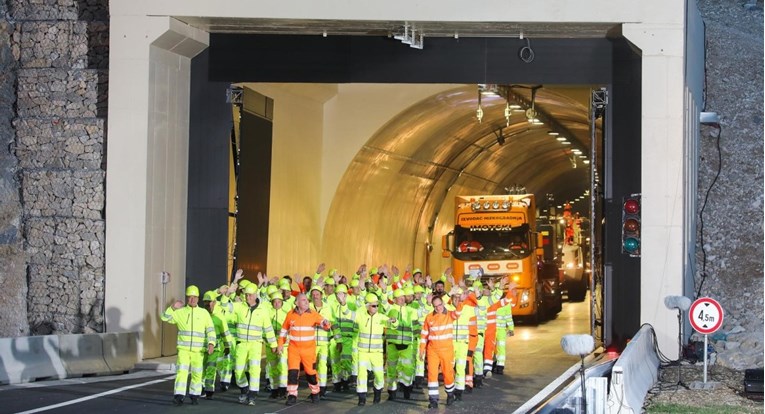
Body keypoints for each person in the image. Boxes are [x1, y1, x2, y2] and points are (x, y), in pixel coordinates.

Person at [160, 285, 216, 406]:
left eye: (195, 297)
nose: (192, 299)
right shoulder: (180, 312)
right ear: (186, 298)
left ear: (198, 298)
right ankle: (179, 396)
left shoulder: (204, 313)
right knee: (182, 372)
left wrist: (211, 343)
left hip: (198, 350)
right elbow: (164, 318)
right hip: (184, 350)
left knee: (197, 373)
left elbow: (211, 330)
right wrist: (172, 308)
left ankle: (194, 395)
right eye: (190, 297)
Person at [277, 293, 332, 405]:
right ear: (296, 303)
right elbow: (283, 331)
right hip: (294, 350)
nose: (306, 302)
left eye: (307, 300)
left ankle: (315, 393)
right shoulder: (290, 314)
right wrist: (280, 344)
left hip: (309, 350)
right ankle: (292, 395)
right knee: (292, 373)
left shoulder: (313, 314)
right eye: (303, 300)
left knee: (311, 373)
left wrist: (326, 324)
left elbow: (325, 324)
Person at [344, 293, 395, 406]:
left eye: (377, 305)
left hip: (377, 353)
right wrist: (343, 303)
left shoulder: (381, 317)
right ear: (367, 306)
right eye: (373, 306)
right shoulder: (360, 316)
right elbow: (347, 314)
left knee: (379, 375)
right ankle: (361, 398)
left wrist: (394, 322)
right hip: (362, 352)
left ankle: (377, 394)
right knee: (361, 375)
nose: (376, 308)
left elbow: (393, 325)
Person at [232, 283, 278, 405]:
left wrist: (273, 344)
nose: (248, 297)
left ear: (255, 295)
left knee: (254, 369)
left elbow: (268, 329)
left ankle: (252, 394)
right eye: (246, 295)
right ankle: (244, 388)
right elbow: (225, 306)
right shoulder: (239, 306)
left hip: (256, 345)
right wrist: (228, 292)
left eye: (250, 295)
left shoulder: (262, 311)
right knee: (238, 370)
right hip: (241, 344)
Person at [419, 288, 465, 408]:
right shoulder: (429, 318)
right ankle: (433, 400)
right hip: (432, 351)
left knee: (448, 374)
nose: (438, 308)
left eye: (440, 305)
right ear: (433, 307)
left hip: (447, 350)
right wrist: (421, 350)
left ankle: (450, 394)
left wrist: (460, 302)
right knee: (432, 375)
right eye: (435, 306)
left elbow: (458, 313)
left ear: (443, 303)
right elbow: (424, 335)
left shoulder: (450, 314)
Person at [385, 288, 420, 401]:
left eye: (403, 298)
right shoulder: (389, 309)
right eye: (399, 298)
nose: (401, 300)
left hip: (407, 345)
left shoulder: (411, 310)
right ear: (394, 299)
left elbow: (415, 326)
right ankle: (392, 391)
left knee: (408, 368)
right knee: (391, 369)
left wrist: (419, 339)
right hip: (392, 344)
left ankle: (406, 387)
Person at [201, 290, 233, 400]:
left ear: (214, 302)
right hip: (200, 348)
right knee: (200, 369)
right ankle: (200, 387)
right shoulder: (200, 316)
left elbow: (225, 333)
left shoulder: (219, 318)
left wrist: (228, 346)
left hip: (214, 348)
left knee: (210, 368)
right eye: (205, 302)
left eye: (209, 302)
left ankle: (209, 390)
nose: (207, 304)